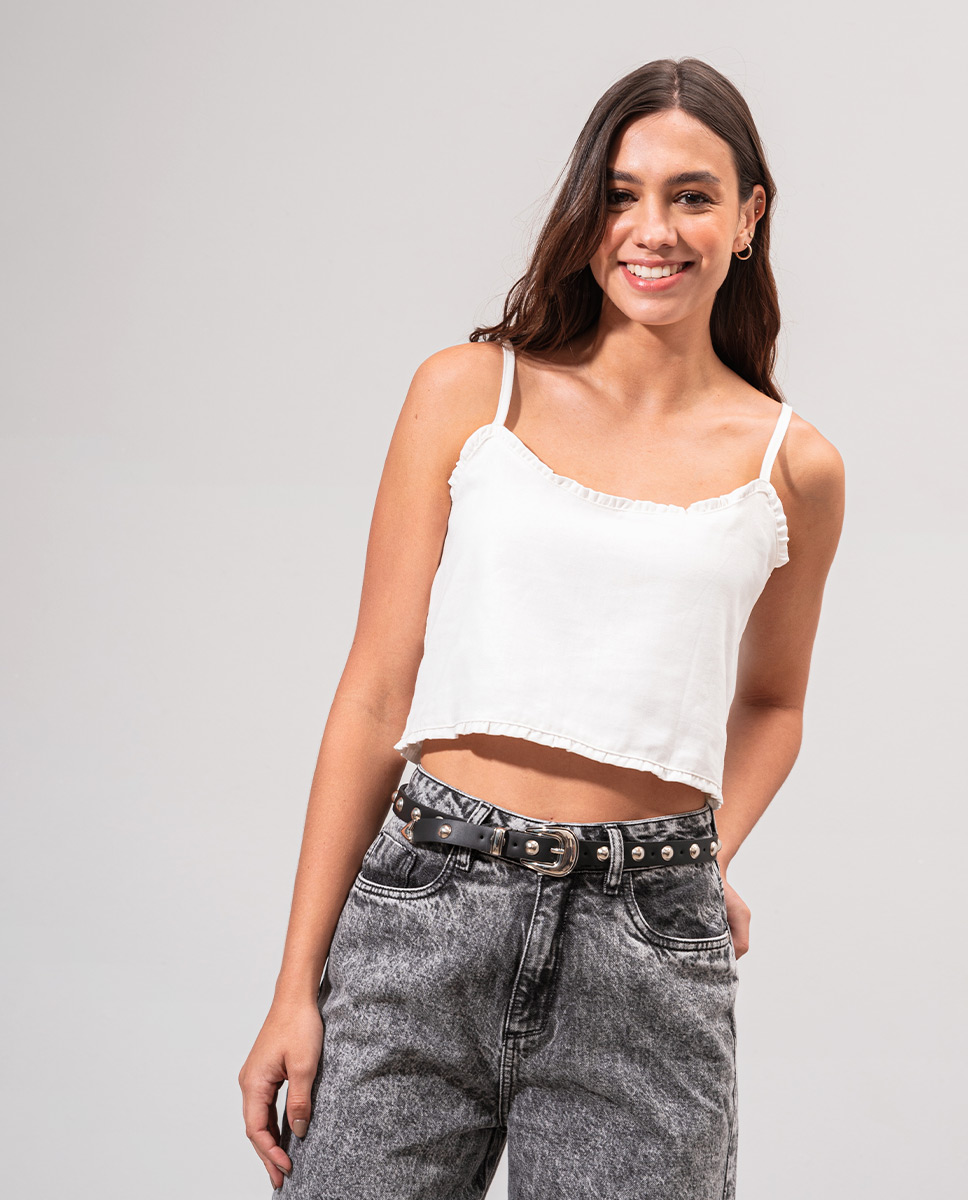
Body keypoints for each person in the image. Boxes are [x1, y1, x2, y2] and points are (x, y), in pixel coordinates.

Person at [239, 55, 845, 1199]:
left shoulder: (794, 465)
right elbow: (376, 691)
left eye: (692, 195)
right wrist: (292, 987)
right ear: (586, 211)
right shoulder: (470, 392)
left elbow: (774, 704)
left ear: (748, 217)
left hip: (647, 948)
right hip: (424, 911)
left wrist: (697, 861)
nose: (652, 229)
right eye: (621, 195)